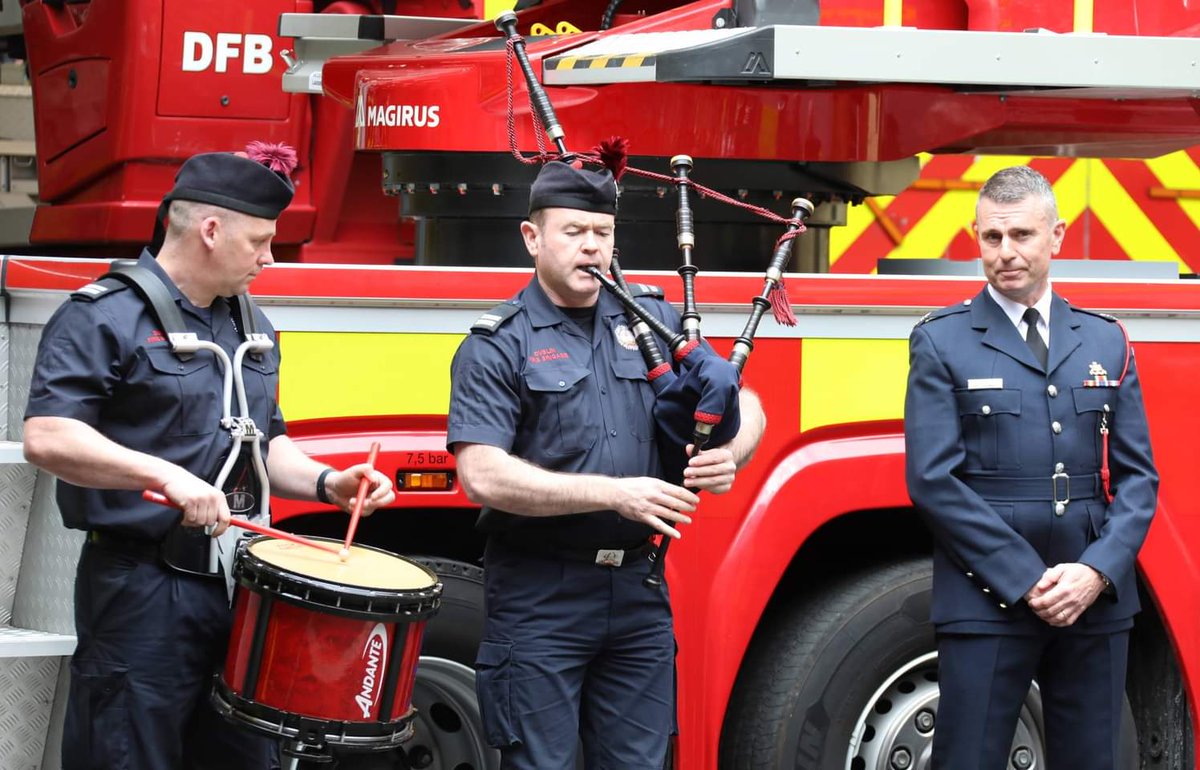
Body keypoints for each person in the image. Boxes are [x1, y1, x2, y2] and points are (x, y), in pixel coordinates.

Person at [22, 144, 395, 770]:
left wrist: (330, 481)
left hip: (243, 588)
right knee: (128, 754)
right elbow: (50, 436)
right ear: (211, 230)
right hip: (142, 591)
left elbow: (263, 441)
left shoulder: (252, 326)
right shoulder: (104, 316)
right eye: (259, 241)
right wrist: (166, 477)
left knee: (244, 756)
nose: (270, 257)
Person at [447, 160, 766, 769]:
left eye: (603, 231)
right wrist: (614, 494)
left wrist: (730, 451)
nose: (592, 245)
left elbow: (743, 399)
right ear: (532, 238)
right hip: (541, 594)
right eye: (573, 231)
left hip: (639, 589)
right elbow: (481, 473)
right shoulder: (497, 343)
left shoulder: (654, 319)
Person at [904, 165, 1158, 770]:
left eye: (1021, 235)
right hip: (987, 596)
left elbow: (1138, 479)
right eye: (991, 239)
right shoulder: (942, 341)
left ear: (1057, 236)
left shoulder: (1106, 341)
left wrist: (1095, 574)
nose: (1005, 253)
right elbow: (933, 480)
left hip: (1092, 601)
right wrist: (1027, 579)